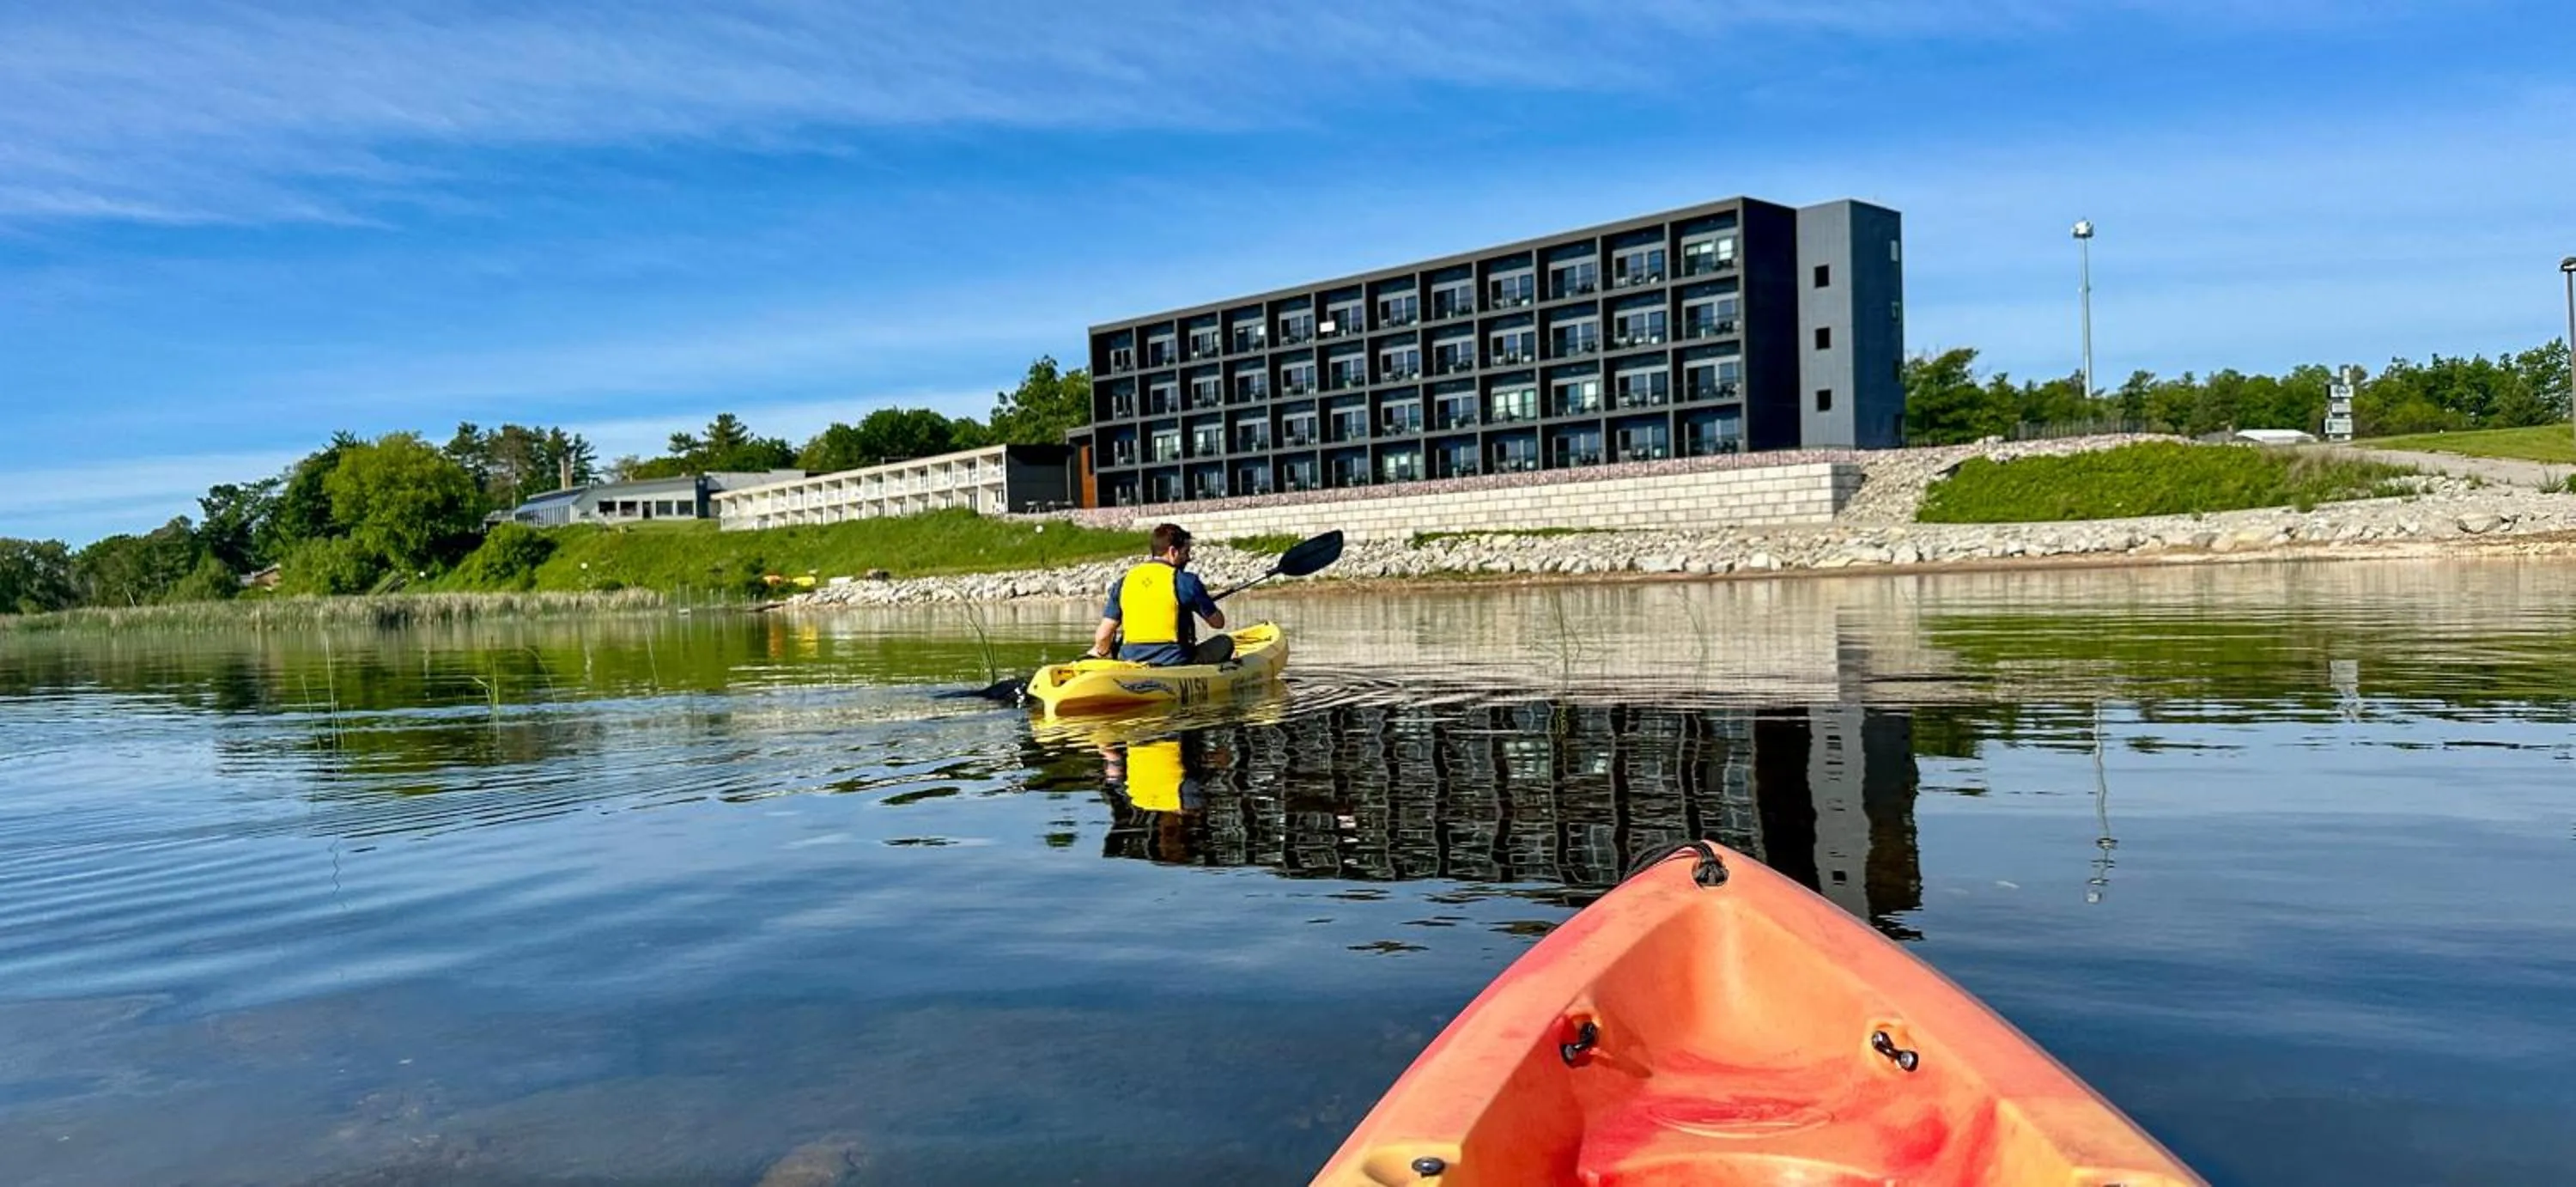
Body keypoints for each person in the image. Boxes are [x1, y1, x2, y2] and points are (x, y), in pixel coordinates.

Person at [1086, 523, 1235, 666]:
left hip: (1130, 659)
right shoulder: (1187, 581)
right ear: (1173, 552)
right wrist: (1203, 604)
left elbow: (1103, 636)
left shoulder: (1124, 582)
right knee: (1225, 642)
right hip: (1175, 661)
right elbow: (1218, 623)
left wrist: (1104, 652)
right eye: (1186, 552)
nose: (1188, 558)